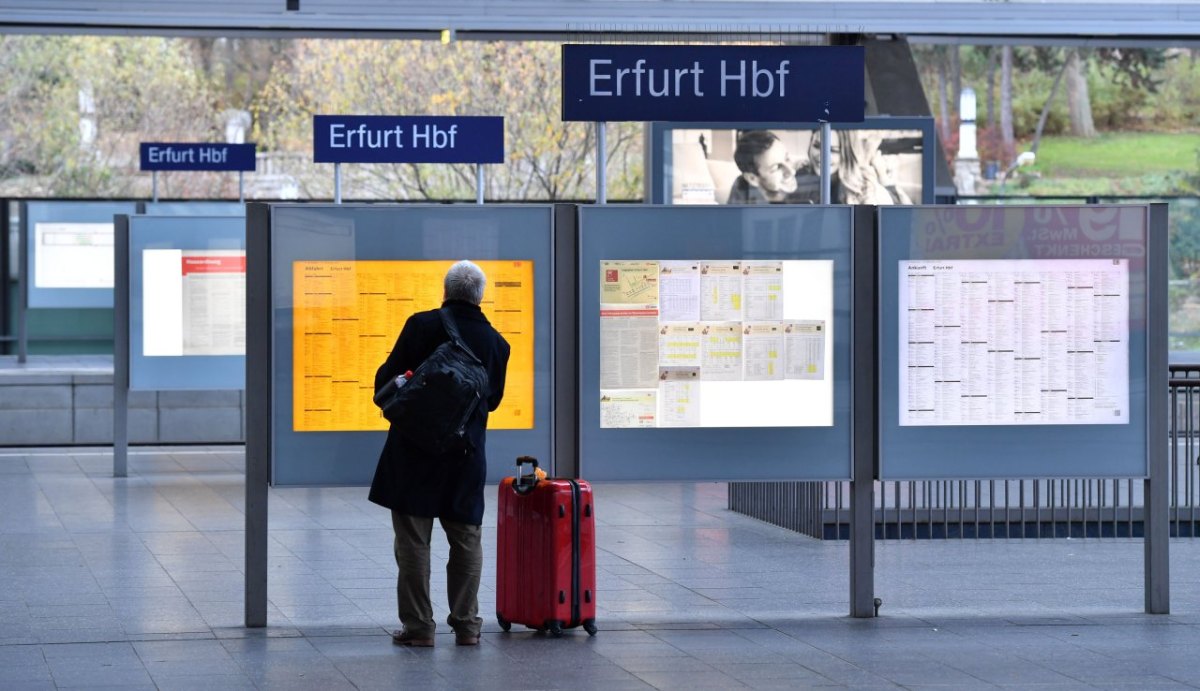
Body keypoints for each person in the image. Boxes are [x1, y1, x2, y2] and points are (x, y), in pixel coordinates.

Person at [368, 260, 510, 648]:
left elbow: (386, 380)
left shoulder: (421, 325)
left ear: (446, 291)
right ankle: (467, 625)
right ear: (479, 296)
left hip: (413, 451)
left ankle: (419, 627)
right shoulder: (496, 343)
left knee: (413, 541)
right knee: (466, 539)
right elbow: (492, 400)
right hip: (464, 454)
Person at [726, 130, 801, 204]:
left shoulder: (805, 177)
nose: (791, 171)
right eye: (776, 168)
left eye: (787, 159)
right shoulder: (742, 187)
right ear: (753, 179)